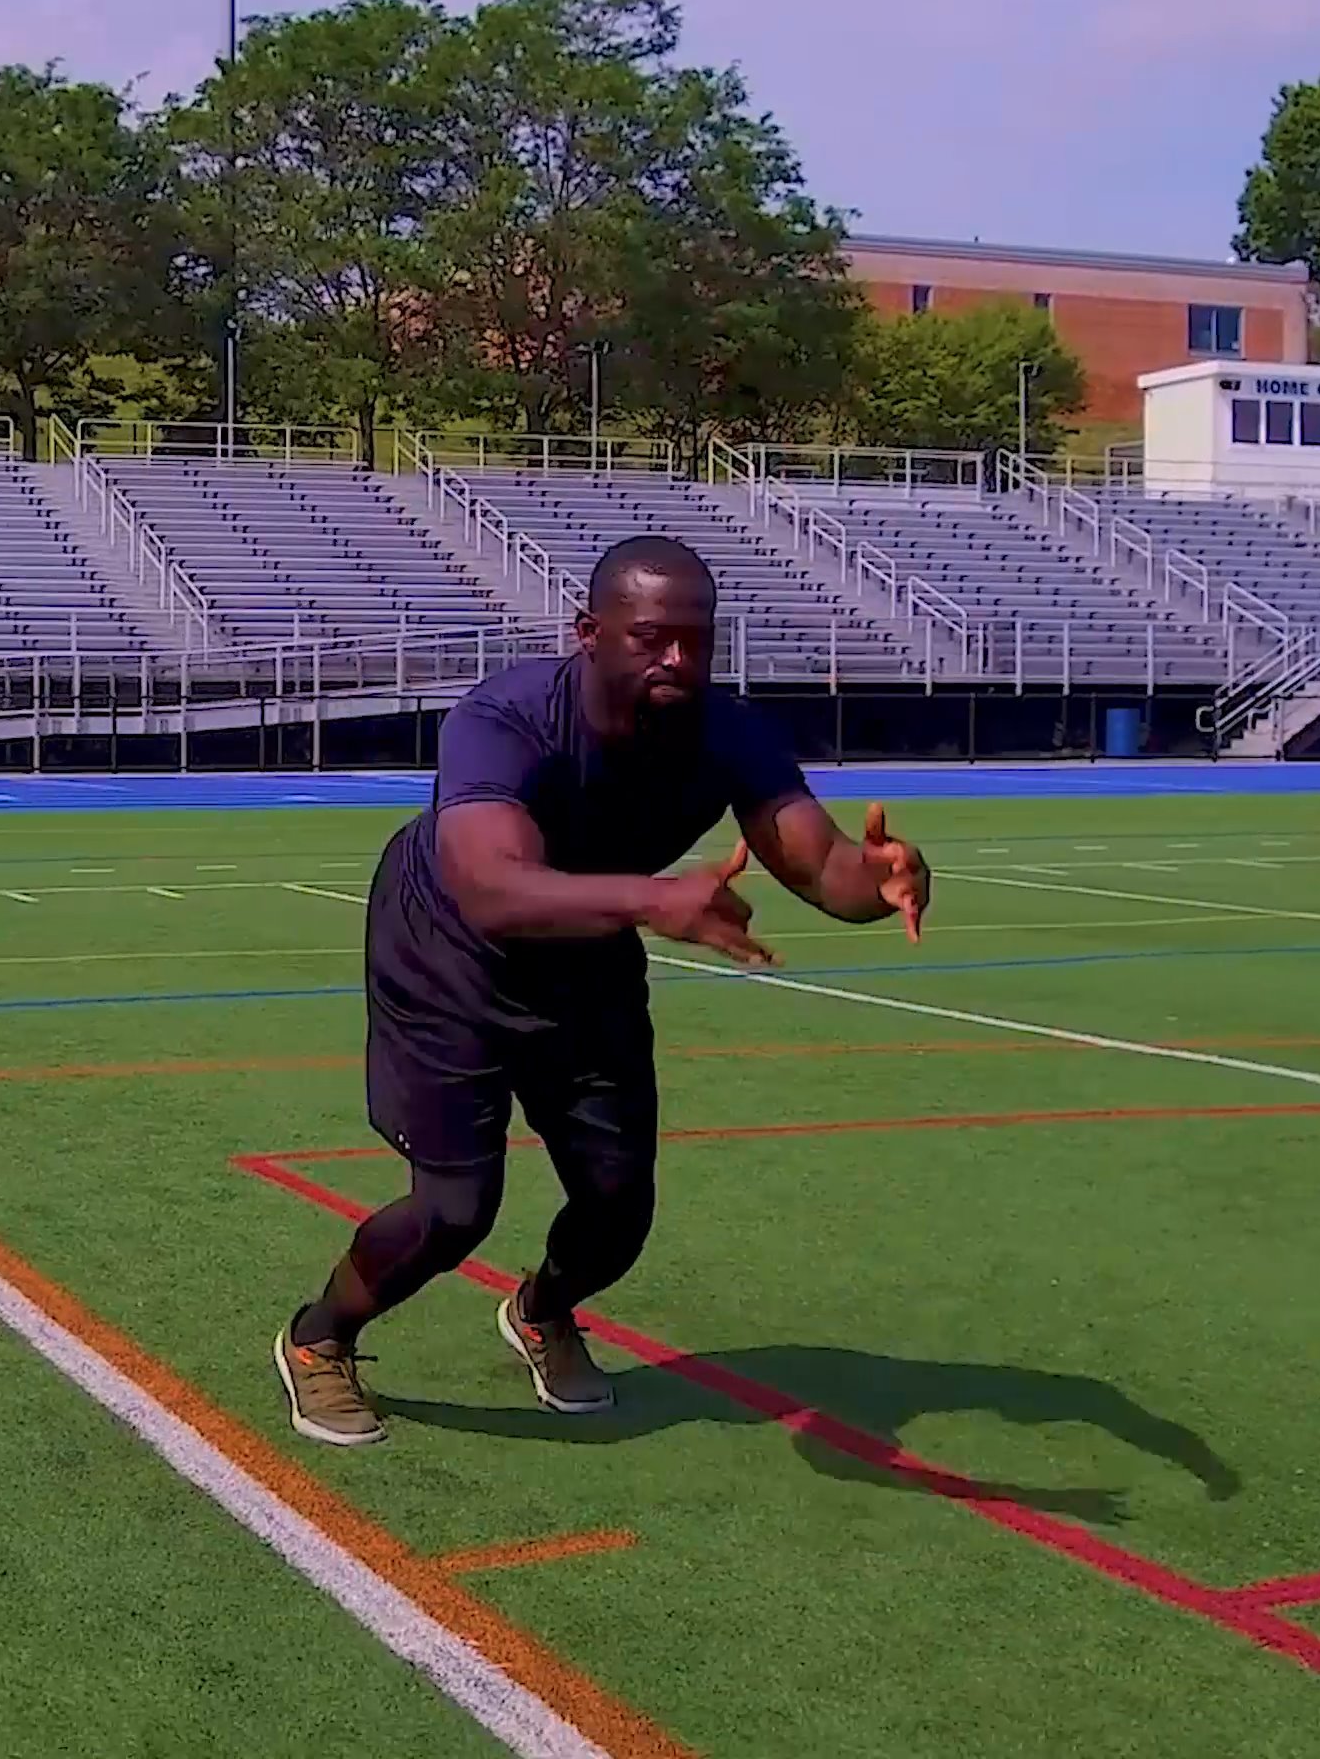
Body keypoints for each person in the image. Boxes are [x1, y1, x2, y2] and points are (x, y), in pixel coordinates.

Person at [276, 534, 931, 1446]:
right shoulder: (504, 719)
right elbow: (489, 885)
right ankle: (319, 1338)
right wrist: (655, 898)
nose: (679, 659)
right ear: (590, 632)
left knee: (620, 1200)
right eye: (653, 637)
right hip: (448, 954)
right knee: (454, 1208)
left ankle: (543, 1310)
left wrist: (888, 880)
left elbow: (823, 867)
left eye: (698, 640)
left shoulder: (730, 733)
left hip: (588, 952)